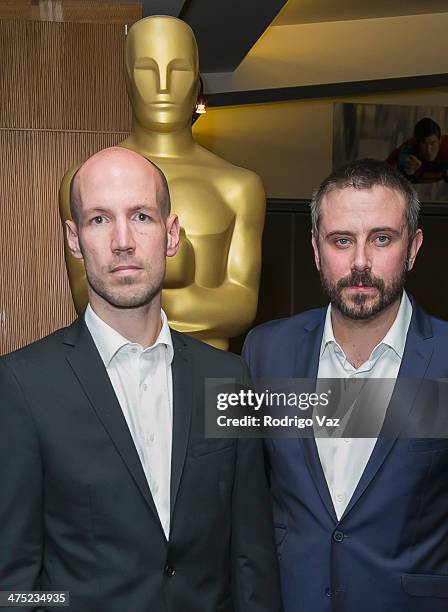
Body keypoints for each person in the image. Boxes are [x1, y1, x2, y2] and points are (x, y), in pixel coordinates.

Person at [0, 147, 282, 612]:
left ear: (171, 234)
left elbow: (251, 557)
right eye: (99, 220)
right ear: (74, 239)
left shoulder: (230, 378)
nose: (123, 240)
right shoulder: (23, 385)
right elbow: (15, 584)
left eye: (142, 216)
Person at [243, 158, 448, 612]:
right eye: (342, 240)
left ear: (413, 247)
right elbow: (247, 502)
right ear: (317, 250)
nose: (360, 262)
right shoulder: (265, 352)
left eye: (382, 238)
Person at [59, 16, 266, 350]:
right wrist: (180, 283)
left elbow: (242, 305)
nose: (163, 86)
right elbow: (85, 297)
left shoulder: (238, 186)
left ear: (197, 80)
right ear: (126, 79)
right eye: (146, 69)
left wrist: (143, 288)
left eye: (179, 70)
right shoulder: (85, 181)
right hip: (116, 367)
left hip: (209, 375)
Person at [387, 117, 448, 183]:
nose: (429, 150)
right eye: (424, 144)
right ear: (418, 143)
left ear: (440, 140)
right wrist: (409, 165)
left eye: (433, 143)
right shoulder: (407, 152)